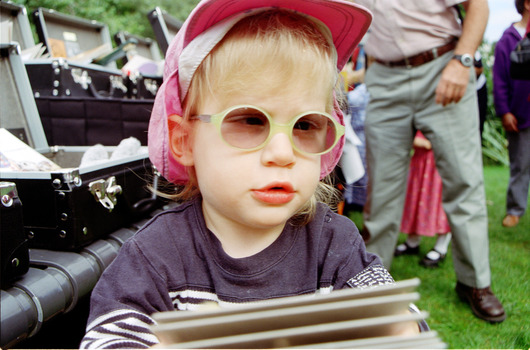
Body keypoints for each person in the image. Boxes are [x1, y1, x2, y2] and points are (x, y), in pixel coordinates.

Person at [80, 1, 426, 348]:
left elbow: (401, 323)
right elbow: (110, 339)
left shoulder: (334, 245)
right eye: (250, 120)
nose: (282, 153)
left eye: (305, 125)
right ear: (184, 140)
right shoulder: (154, 258)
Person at [355, 0, 506, 323]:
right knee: (381, 187)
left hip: (442, 67)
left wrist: (462, 61)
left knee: (463, 181)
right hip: (383, 76)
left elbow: (477, 5)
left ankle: (474, 283)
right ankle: (371, 282)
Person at [493, 0, 530, 228]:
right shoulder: (507, 40)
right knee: (520, 163)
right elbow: (499, 80)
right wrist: (505, 111)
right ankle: (515, 209)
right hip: (521, 114)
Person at [395, 132, 452, 268]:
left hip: (442, 160)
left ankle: (441, 247)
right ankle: (412, 242)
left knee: (440, 201)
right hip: (420, 160)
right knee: (416, 198)